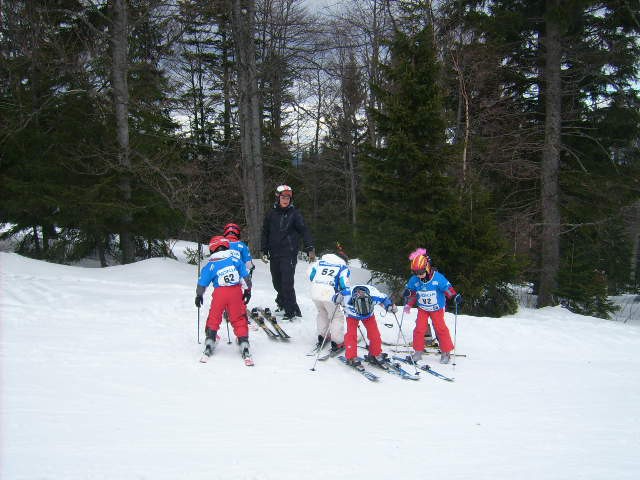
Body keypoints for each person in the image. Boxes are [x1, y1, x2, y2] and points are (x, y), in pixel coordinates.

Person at [260, 184, 315, 320]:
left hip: (288, 253)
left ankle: (291, 311)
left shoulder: (294, 214)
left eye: (288, 198)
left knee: (287, 282)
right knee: (276, 282)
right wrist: (263, 250)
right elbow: (265, 232)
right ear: (278, 197)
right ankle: (283, 303)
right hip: (274, 253)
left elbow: (304, 230)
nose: (286, 200)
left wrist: (310, 248)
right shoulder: (271, 213)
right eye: (283, 197)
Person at [195, 236, 253, 359]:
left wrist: (199, 295)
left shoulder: (211, 265)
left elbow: (202, 282)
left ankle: (210, 339)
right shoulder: (235, 260)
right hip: (235, 292)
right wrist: (247, 291)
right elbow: (246, 277)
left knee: (214, 316)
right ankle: (243, 341)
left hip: (219, 294)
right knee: (238, 317)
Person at [403, 250, 462, 364]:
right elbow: (411, 291)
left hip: (437, 309)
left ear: (427, 267)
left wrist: (454, 297)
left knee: (441, 329)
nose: (419, 275)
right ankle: (418, 351)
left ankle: (446, 352)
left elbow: (447, 289)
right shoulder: (415, 279)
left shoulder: (438, 278)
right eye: (415, 273)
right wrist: (408, 295)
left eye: (420, 272)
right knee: (419, 329)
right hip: (423, 309)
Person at [332, 284, 397, 367]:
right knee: (351, 335)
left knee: (375, 334)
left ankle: (375, 354)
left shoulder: (375, 295)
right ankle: (351, 357)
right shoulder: (346, 295)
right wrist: (337, 298)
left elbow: (384, 299)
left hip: (369, 316)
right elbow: (334, 299)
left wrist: (389, 306)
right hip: (352, 316)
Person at [309, 247, 350, 353]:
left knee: (322, 313)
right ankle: (337, 342)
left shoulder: (320, 262)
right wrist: (345, 293)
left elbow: (311, 276)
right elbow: (344, 283)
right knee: (336, 316)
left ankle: (322, 336)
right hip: (329, 293)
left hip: (315, 291)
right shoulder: (342, 267)